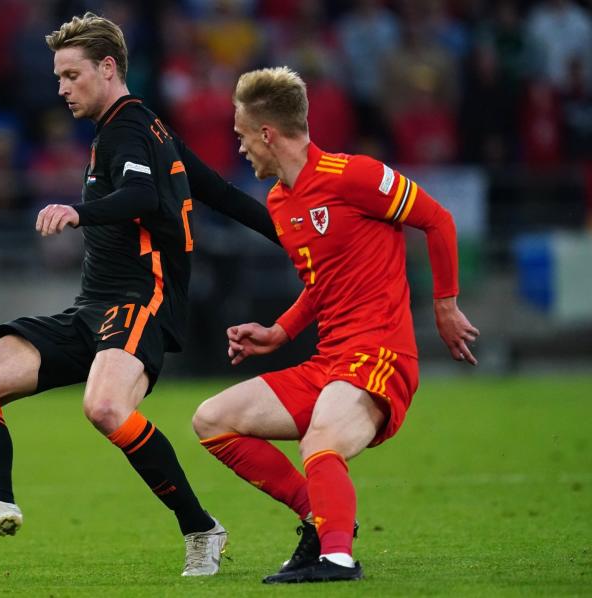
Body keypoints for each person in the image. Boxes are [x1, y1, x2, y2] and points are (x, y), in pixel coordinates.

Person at [0, 12, 280, 576]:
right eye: (58, 77)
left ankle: (201, 529)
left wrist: (76, 212)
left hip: (140, 303)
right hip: (91, 309)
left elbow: (139, 196)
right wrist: (290, 235)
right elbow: (222, 195)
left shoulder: (128, 128)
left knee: (106, 407)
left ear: (107, 68)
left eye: (70, 75)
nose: (61, 89)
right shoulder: (147, 131)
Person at [190, 66, 479, 584]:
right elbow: (322, 284)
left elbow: (438, 219)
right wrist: (280, 332)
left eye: (240, 136)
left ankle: (338, 559)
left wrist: (445, 305)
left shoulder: (355, 175)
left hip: (380, 355)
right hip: (329, 361)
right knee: (212, 419)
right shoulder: (280, 202)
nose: (240, 149)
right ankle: (318, 518)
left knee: (320, 440)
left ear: (267, 134)